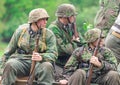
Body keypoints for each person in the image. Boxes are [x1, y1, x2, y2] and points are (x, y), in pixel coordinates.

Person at [1, 8, 58, 85]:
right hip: (21, 61)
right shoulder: (20, 31)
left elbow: (53, 54)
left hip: (39, 63)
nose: (46, 21)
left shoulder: (49, 34)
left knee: (47, 66)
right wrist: (1, 72)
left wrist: (41, 57)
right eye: (43, 19)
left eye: (46, 19)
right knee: (10, 64)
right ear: (35, 21)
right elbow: (7, 53)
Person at [48, 4, 85, 80]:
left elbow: (83, 42)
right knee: (63, 80)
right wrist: (75, 43)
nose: (74, 18)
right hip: (59, 64)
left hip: (72, 62)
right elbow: (64, 50)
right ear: (65, 17)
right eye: (72, 16)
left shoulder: (71, 26)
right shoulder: (54, 29)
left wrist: (76, 42)